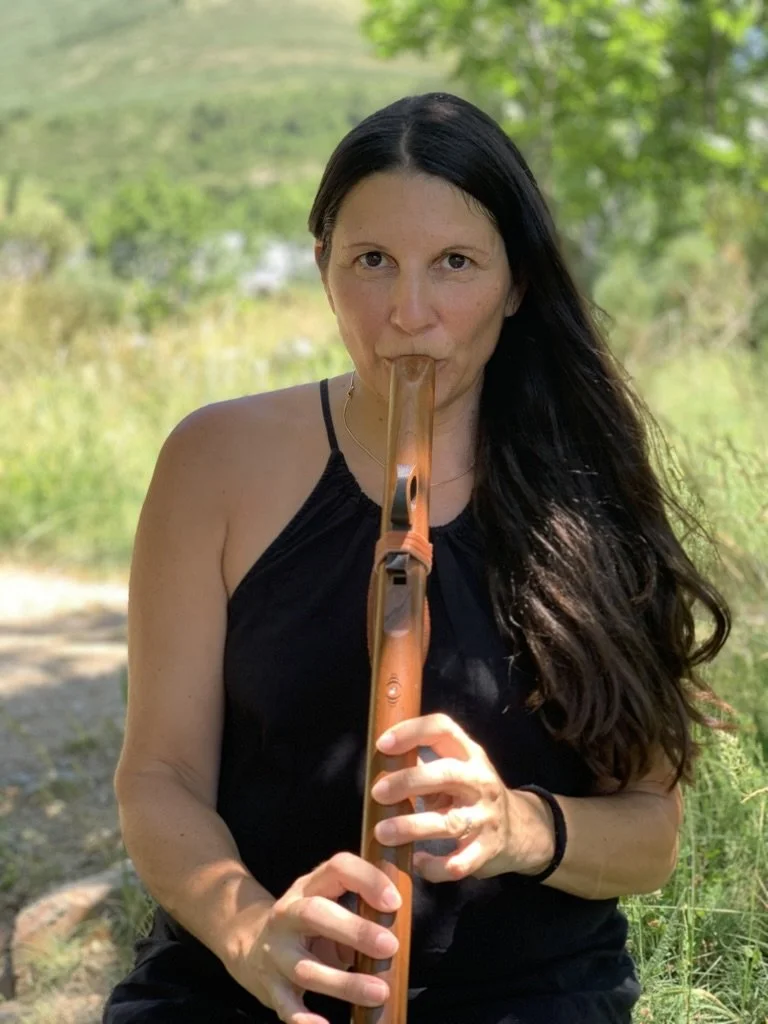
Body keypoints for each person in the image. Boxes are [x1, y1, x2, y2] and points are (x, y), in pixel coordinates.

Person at [103, 92, 730, 1024]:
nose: (409, 313)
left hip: (530, 995)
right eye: (372, 263)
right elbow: (160, 777)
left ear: (516, 284)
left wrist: (519, 827)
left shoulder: (588, 490)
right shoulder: (214, 462)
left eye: (455, 264)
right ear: (323, 267)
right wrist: (246, 931)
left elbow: (650, 836)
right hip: (248, 983)